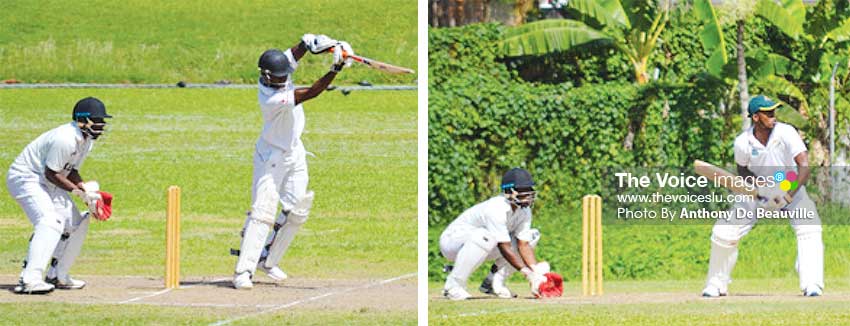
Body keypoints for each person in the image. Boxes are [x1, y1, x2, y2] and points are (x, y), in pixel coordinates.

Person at [232, 34, 354, 289]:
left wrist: (312, 43)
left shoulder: (279, 70)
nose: (282, 79)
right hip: (271, 156)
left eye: (283, 75)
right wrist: (336, 67)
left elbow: (293, 55)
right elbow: (312, 92)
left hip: (294, 151)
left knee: (298, 207)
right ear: (266, 76)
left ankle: (269, 260)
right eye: (278, 77)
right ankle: (244, 271)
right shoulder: (272, 98)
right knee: (263, 210)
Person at [702, 95, 823, 297]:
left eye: (774, 112)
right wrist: (757, 188)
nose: (773, 116)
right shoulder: (742, 142)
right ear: (756, 117)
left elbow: (804, 166)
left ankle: (812, 285)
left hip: (789, 183)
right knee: (723, 232)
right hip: (759, 190)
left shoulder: (786, 132)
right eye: (768, 113)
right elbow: (743, 171)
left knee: (809, 227)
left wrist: (788, 196)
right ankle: (716, 284)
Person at [6, 97, 113, 294]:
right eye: (97, 121)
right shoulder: (65, 137)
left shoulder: (86, 141)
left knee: (77, 223)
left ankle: (58, 275)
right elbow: (51, 173)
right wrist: (78, 192)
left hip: (48, 180)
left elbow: (69, 169)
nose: (101, 126)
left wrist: (86, 190)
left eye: (102, 122)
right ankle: (29, 280)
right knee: (50, 221)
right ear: (83, 120)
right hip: (27, 178)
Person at [439, 167, 551, 300]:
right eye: (523, 190)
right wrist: (527, 273)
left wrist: (535, 271)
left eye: (530, 189)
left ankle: (493, 283)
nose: (529, 194)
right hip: (453, 242)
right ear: (509, 191)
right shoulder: (496, 207)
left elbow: (524, 244)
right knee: (484, 236)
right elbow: (504, 247)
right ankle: (453, 286)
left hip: (486, 243)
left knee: (533, 235)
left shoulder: (525, 211)